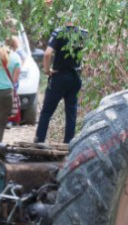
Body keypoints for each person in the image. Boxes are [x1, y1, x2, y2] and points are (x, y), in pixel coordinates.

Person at [34, 12, 88, 144]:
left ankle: (39, 141)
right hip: (75, 77)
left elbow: (47, 54)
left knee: (46, 112)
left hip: (59, 76)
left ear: (64, 18)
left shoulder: (59, 32)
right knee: (71, 113)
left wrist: (47, 70)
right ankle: (68, 144)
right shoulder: (84, 33)